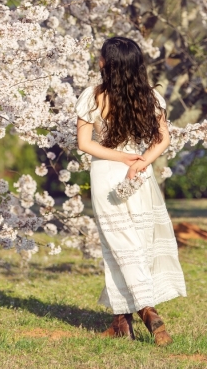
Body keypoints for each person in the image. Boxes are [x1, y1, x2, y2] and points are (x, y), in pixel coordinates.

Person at [75, 36, 187, 346]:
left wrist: (122, 157)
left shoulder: (92, 96)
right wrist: (141, 162)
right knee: (136, 244)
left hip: (108, 173)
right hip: (139, 175)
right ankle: (120, 323)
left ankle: (147, 311)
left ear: (105, 64)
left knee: (119, 246)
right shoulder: (151, 97)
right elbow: (163, 139)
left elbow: (85, 144)